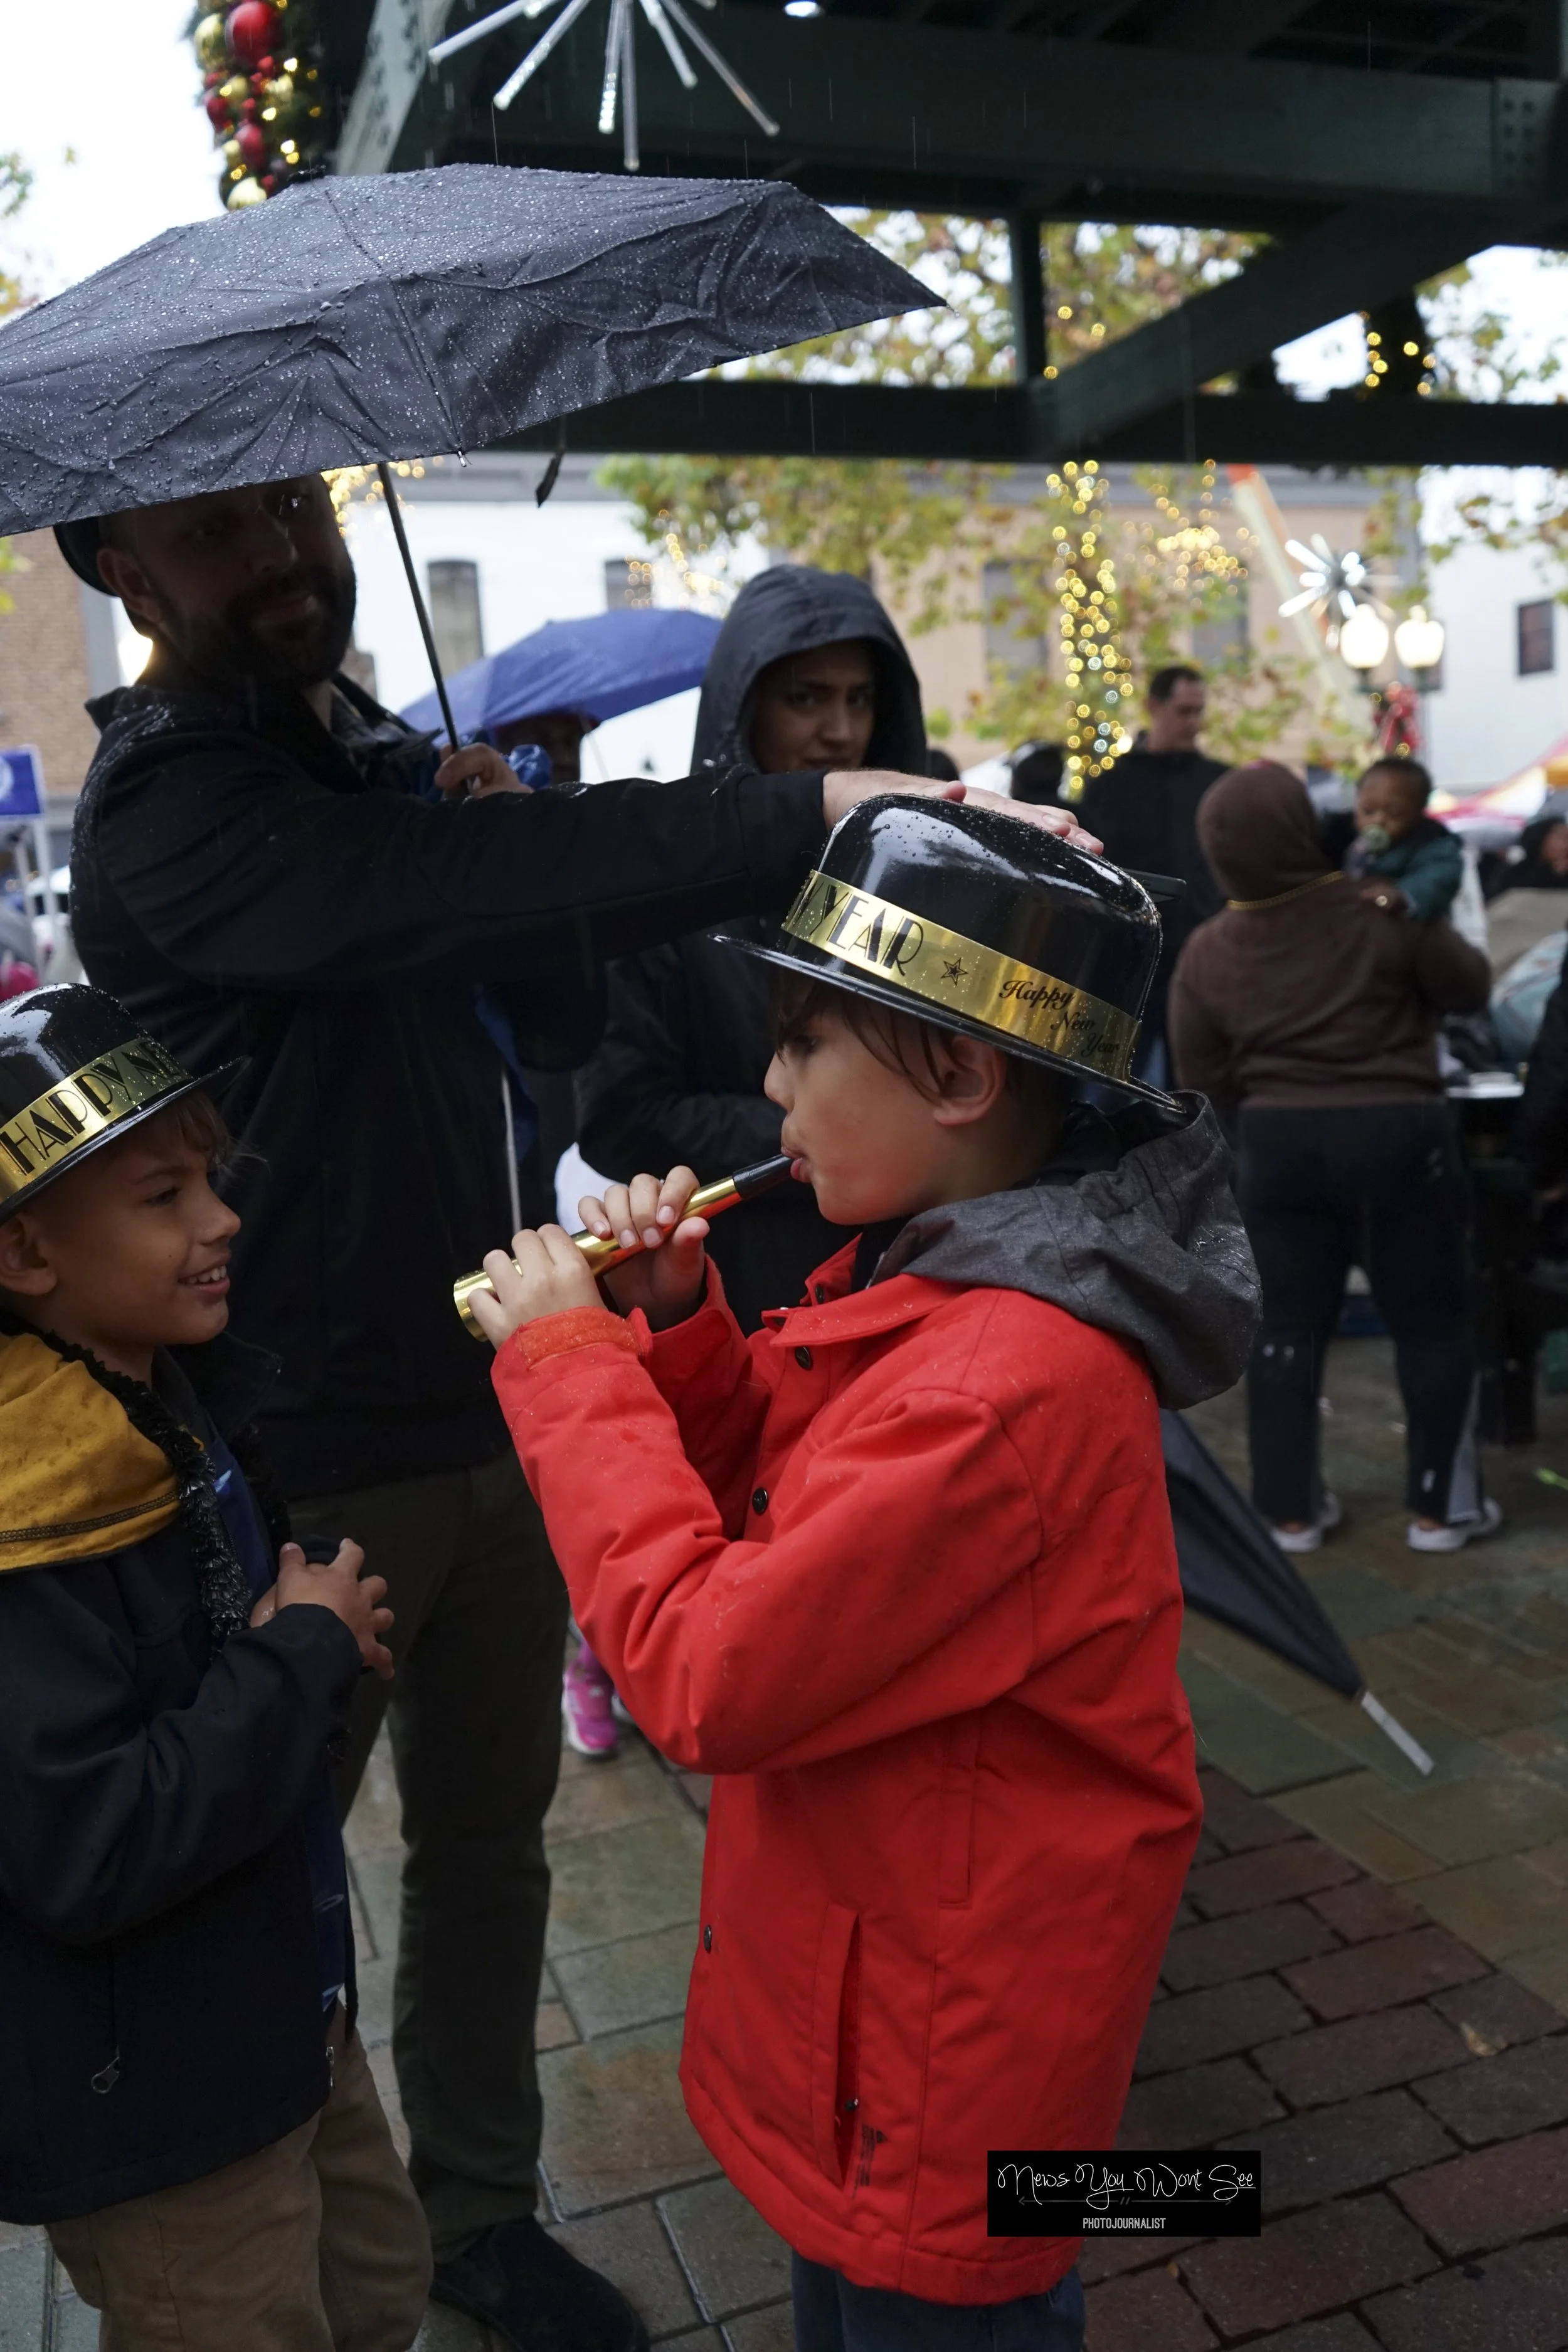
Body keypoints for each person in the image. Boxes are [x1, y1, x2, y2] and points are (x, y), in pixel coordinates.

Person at [55, 479, 1090, 2352]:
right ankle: (273, 2234)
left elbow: (538, 997)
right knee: (256, 1866)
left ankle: (468, 2214)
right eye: (219, 529)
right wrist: (810, 814)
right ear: (118, 562)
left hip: (490, 1389)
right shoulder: (167, 801)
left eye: (297, 505)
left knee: (488, 1842)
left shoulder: (372, 757)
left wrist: (488, 838)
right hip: (303, 1439)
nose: (283, 555)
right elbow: (426, 907)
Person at [468, 793, 1256, 2352]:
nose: (767, 1092)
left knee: (961, 2293)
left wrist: (571, 1364)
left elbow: (705, 1669)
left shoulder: (1002, 1375)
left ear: (960, 1071)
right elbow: (801, 1512)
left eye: (803, 1046)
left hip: (947, 2059)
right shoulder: (941, 1272)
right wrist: (686, 1321)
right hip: (894, 2006)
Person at [0, 984, 429, 2352]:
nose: (222, 1220)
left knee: (373, 2287)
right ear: (24, 1253)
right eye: (162, 1197)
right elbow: (91, 1841)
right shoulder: (29, 1512)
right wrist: (298, 1657)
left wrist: (297, 1646)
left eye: (212, 1181)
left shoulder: (166, 1397)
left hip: (281, 2012)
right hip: (162, 2098)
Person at [575, 565, 930, 1340]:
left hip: (910, 1281)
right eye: (806, 697)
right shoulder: (663, 893)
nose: (840, 730)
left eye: (860, 699)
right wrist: (828, 1132)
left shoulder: (917, 879)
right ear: (746, 704)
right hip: (740, 1296)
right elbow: (620, 1114)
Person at [1168, 761, 1496, 1554]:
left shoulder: (1209, 950)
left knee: (1286, 1328)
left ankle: (1288, 1512)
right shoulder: (1379, 910)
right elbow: (1470, 987)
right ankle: (1438, 1511)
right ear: (1298, 828)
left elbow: (1200, 1075)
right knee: (1430, 1324)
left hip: (1280, 1153)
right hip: (1398, 1137)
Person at [1071, 665, 1225, 1084]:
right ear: (1154, 707)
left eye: (1199, 712)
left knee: (1196, 1087)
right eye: (1184, 711)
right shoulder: (1111, 787)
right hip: (1131, 956)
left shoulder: (1217, 783)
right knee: (1114, 1081)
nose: (1194, 723)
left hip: (1200, 952)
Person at [1325, 757, 1463, 923]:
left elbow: (1439, 878)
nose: (1379, 820)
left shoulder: (1433, 845)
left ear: (1418, 814)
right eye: (1368, 811)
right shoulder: (1338, 834)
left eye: (1395, 813)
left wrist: (1403, 895)